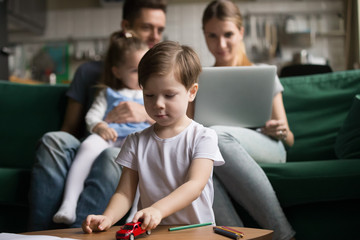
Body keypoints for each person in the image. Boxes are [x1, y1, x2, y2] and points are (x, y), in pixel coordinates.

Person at [28, 0, 167, 231]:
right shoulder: (88, 72)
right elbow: (69, 127)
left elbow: (177, 124)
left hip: (128, 146)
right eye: (147, 27)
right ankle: (38, 233)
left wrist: (146, 113)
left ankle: (76, 232)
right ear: (126, 26)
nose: (154, 36)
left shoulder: (162, 74)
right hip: (98, 137)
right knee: (53, 140)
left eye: (160, 30)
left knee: (113, 156)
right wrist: (101, 126)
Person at [82, 41, 225, 233]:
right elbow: (125, 194)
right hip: (152, 233)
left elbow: (194, 186)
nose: (158, 103)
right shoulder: (136, 141)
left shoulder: (203, 136)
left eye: (169, 95)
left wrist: (158, 209)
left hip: (197, 233)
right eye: (149, 95)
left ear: (191, 92)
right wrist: (107, 217)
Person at [201, 1, 296, 240]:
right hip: (217, 153)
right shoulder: (198, 80)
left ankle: (284, 235)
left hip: (267, 146)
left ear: (241, 33)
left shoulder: (263, 74)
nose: (220, 44)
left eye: (228, 34)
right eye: (212, 36)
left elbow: (290, 140)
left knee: (215, 136)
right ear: (204, 36)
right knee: (200, 161)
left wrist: (281, 131)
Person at [52, 31, 151, 225]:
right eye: (134, 70)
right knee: (88, 146)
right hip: (111, 136)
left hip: (138, 139)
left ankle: (135, 213)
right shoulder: (108, 93)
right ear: (117, 72)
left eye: (145, 68)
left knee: (147, 161)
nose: (141, 75)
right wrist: (99, 126)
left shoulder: (151, 93)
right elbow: (92, 116)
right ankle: (69, 204)